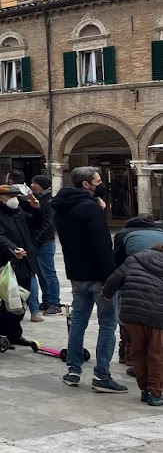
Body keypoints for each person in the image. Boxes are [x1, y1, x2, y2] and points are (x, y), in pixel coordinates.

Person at [53, 166, 127, 393]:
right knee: (107, 323)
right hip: (98, 274)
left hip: (77, 274)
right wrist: (110, 277)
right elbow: (101, 245)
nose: (101, 183)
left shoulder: (62, 208)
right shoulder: (89, 209)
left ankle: (73, 370)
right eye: (97, 180)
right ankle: (102, 375)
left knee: (78, 321)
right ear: (86, 184)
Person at [103, 243, 163, 406]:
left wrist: (106, 294)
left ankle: (144, 390)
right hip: (159, 317)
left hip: (133, 315)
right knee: (157, 354)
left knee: (138, 351)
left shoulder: (136, 259)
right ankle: (156, 393)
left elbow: (114, 279)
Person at [0, 184, 42, 348]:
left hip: (26, 261)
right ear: (1, 197)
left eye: (16, 196)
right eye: (11, 197)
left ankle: (15, 334)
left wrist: (36, 208)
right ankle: (3, 334)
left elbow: (35, 224)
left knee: (22, 299)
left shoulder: (17, 211)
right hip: (9, 263)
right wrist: (12, 249)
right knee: (9, 300)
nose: (15, 200)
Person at [112, 217, 163, 376]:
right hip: (158, 285)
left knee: (127, 313)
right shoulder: (160, 233)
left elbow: (116, 263)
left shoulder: (123, 235)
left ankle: (127, 355)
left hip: (132, 280)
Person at [30, 174, 63, 316]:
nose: (31, 185)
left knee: (49, 273)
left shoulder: (49, 201)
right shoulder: (39, 198)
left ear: (41, 184)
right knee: (41, 274)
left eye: (34, 182)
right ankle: (47, 299)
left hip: (45, 242)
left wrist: (39, 239)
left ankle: (55, 303)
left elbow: (50, 224)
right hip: (38, 241)